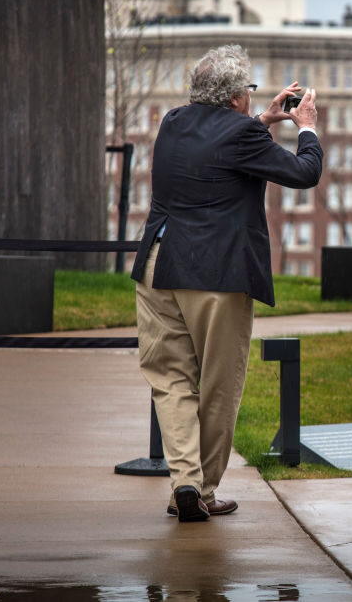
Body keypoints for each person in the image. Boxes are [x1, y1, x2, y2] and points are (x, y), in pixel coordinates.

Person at [131, 44, 322, 522]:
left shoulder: (173, 122)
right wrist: (307, 128)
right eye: (249, 91)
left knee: (169, 379)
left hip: (158, 264)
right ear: (236, 96)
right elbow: (304, 173)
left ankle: (184, 482)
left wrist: (263, 119)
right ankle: (205, 489)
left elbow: (215, 145)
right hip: (215, 273)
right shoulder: (241, 133)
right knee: (218, 384)